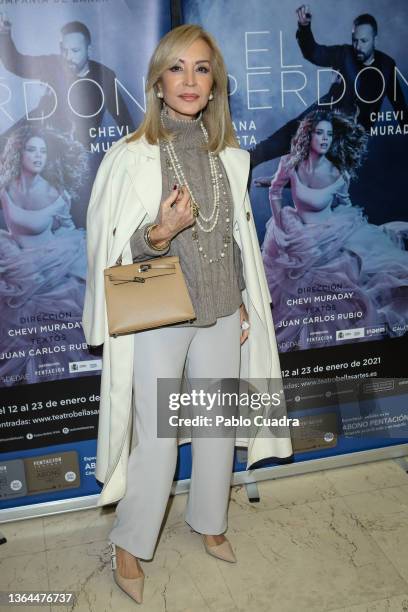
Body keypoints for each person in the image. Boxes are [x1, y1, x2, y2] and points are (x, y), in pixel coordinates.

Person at [82, 24, 293, 604]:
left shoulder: (229, 156)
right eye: (178, 68)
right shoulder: (130, 159)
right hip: (160, 317)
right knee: (157, 437)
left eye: (202, 69)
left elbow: (235, 241)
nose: (190, 80)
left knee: (216, 427)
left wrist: (245, 303)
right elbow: (110, 250)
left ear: (215, 83)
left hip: (223, 312)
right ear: (157, 80)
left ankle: (209, 520)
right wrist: (160, 232)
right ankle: (130, 541)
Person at [261, 110, 408, 352]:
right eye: (319, 132)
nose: (325, 138)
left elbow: (345, 205)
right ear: (308, 135)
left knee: (352, 294)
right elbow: (275, 192)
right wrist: (281, 226)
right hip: (297, 235)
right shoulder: (288, 163)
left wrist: (356, 231)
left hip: (331, 236)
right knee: (290, 303)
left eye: (329, 134)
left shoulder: (339, 173)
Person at [251, 6, 408, 173]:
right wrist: (304, 27)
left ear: (375, 39)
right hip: (324, 114)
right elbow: (313, 52)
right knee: (292, 132)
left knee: (317, 176)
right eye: (354, 40)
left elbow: (400, 106)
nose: (358, 46)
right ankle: (250, 159)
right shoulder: (344, 53)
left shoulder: (386, 65)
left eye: (364, 41)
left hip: (348, 136)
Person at [0, 124, 89, 385]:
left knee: (61, 347)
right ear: (19, 153)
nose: (38, 156)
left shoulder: (57, 194)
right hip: (15, 270)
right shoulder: (5, 188)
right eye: (31, 149)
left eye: (43, 151)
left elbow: (70, 232)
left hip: (53, 274)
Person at [0, 16, 136, 146]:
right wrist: (4, 36)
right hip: (39, 128)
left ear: (89, 50)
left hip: (70, 143)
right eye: (64, 50)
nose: (68, 57)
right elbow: (15, 64)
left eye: (75, 51)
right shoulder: (53, 64)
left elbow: (124, 120)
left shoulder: (104, 76)